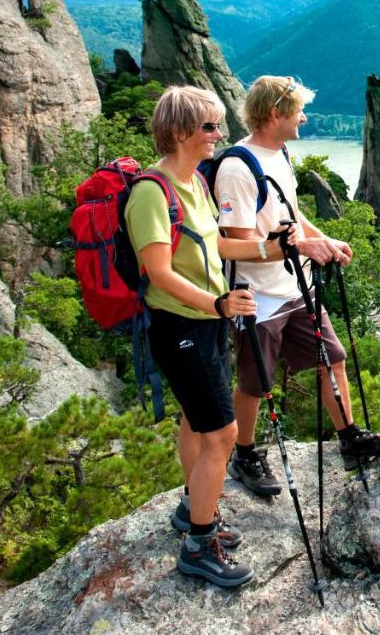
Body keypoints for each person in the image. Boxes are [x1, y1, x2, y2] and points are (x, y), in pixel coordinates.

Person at [125, 85, 270, 588]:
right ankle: (199, 546)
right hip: (180, 324)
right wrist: (216, 303)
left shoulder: (198, 185)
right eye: (209, 126)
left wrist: (274, 247)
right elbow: (159, 272)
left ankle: (194, 507)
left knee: (195, 419)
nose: (218, 135)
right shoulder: (152, 192)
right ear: (181, 131)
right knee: (223, 435)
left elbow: (220, 244)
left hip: (207, 323)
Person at [214, 75, 380, 497]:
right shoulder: (237, 168)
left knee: (333, 359)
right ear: (275, 113)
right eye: (298, 110)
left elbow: (290, 215)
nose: (304, 118)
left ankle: (349, 440)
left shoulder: (280, 152)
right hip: (260, 298)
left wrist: (320, 240)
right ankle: (246, 453)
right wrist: (295, 248)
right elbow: (232, 246)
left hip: (297, 287)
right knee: (255, 383)